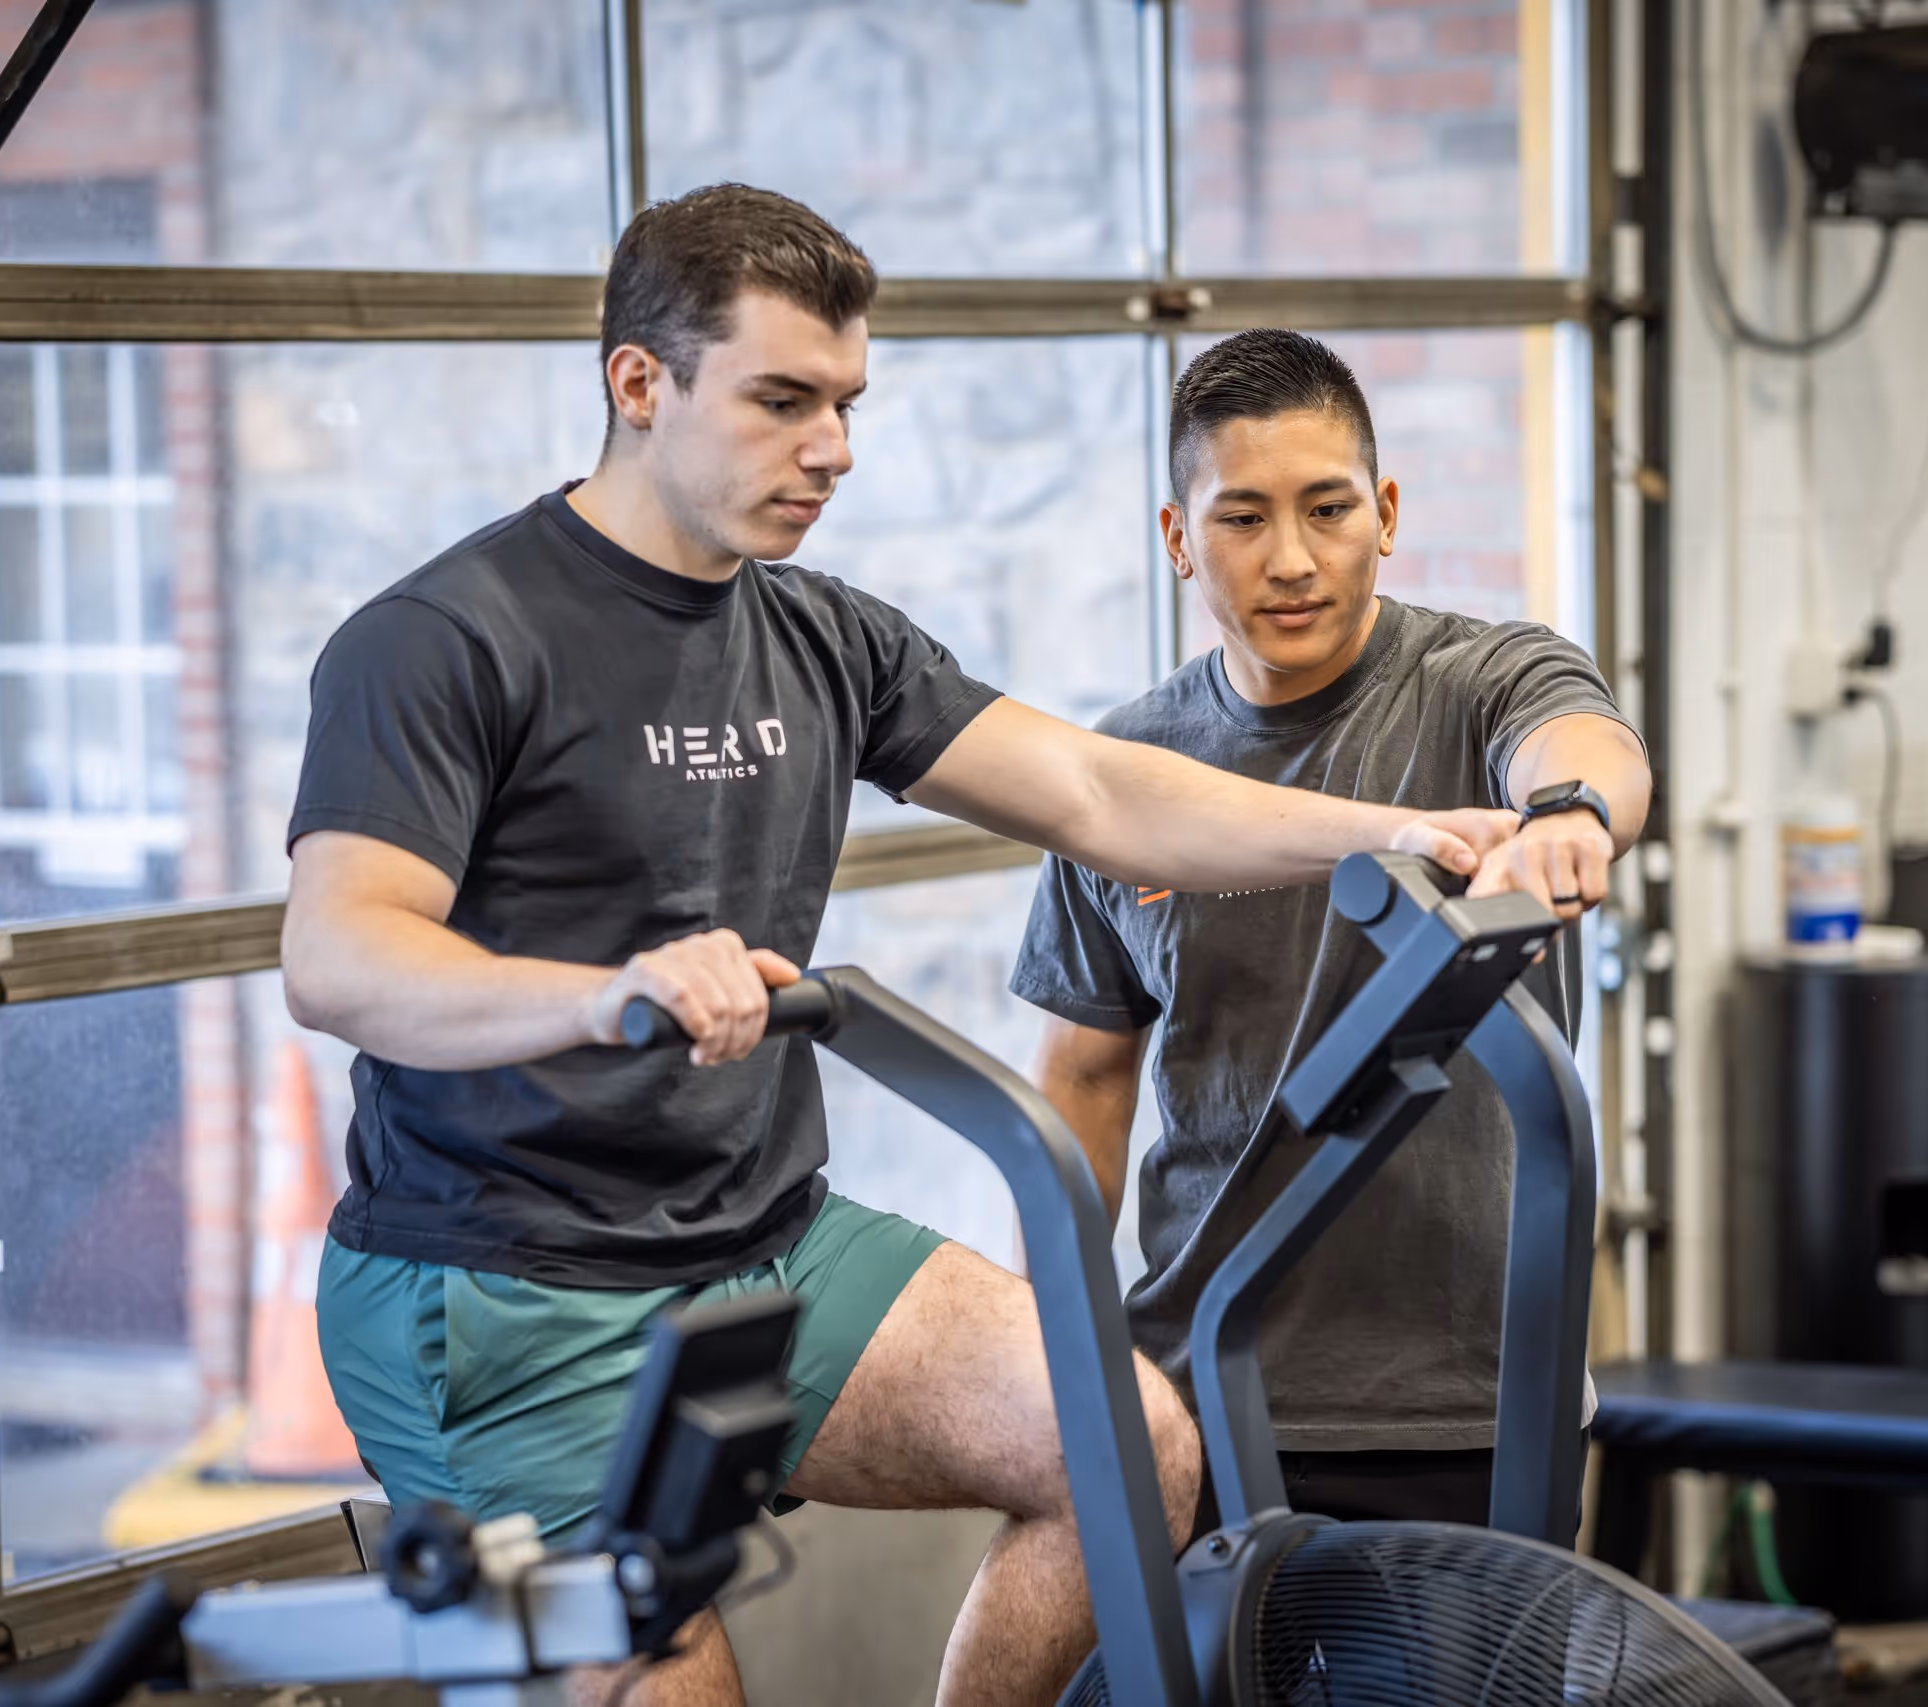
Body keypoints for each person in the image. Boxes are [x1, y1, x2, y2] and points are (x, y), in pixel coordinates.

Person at [279, 188, 1525, 1707]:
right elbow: (341, 959)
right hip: (501, 1284)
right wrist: (609, 994)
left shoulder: (822, 636)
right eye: (785, 401)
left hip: (758, 1242)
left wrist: (1392, 834)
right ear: (637, 384)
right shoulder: (446, 638)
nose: (835, 449)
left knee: (1130, 1439)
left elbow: (1095, 791)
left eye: (848, 403)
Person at [1011, 329, 1651, 1535]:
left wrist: (1566, 817)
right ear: (1175, 538)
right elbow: (1083, 1082)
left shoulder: (1481, 679)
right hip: (1195, 1387)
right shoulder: (1128, 771)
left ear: (1386, 511)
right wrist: (1042, 1347)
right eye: (1242, 519)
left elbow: (1584, 743)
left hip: (1464, 1400)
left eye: (1328, 509)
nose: (1292, 560)